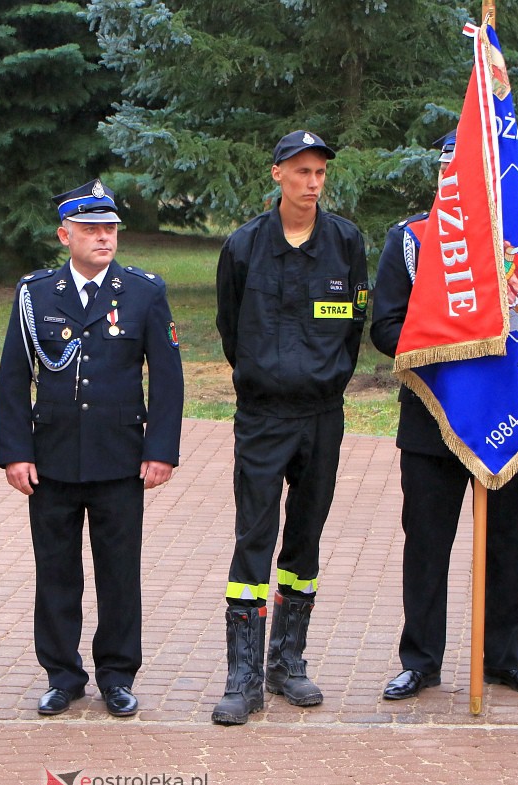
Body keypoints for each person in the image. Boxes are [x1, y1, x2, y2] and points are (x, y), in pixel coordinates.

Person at [370, 132, 518, 702]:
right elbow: (384, 327)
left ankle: (504, 658)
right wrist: (451, 346)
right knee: (426, 545)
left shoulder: (513, 241)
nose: (463, 177)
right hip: (434, 419)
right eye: (454, 166)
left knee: (506, 543)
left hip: (504, 415)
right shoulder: (411, 239)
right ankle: (420, 661)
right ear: (442, 173)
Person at [0, 178, 184, 717]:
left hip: (119, 456)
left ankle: (118, 675)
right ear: (65, 235)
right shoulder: (35, 295)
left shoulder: (144, 292)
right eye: (91, 229)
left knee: (119, 570)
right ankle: (62, 674)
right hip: (51, 456)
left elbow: (166, 379)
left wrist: (160, 450)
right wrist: (15, 452)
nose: (104, 238)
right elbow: (13, 378)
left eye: (110, 229)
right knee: (55, 570)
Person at [212, 131, 368, 725]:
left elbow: (352, 320)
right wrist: (264, 376)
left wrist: (325, 376)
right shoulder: (246, 245)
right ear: (276, 173)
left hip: (322, 415)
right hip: (263, 415)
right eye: (301, 171)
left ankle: (287, 663)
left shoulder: (345, 242)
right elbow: (231, 328)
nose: (312, 181)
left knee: (305, 536)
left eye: (320, 172)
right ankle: (242, 677)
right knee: (253, 535)